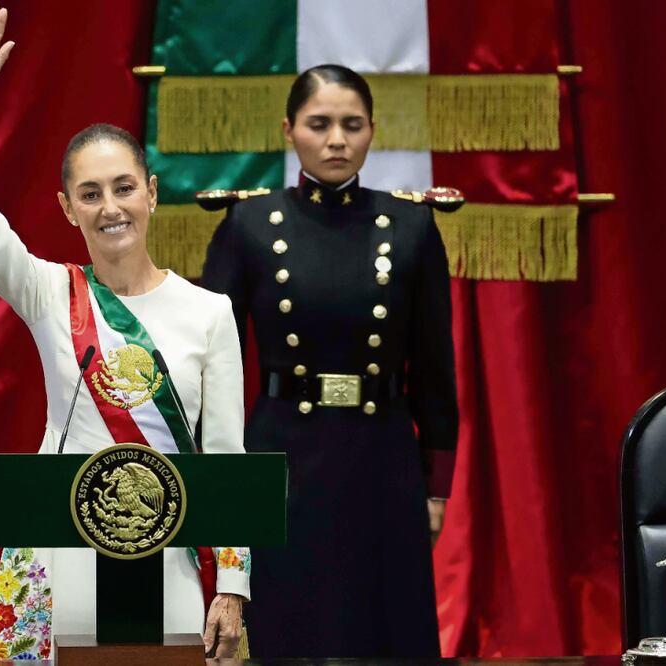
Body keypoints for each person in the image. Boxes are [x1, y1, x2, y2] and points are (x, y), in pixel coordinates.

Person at [0, 4, 250, 660]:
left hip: (169, 555)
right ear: (67, 208)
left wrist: (232, 585)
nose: (110, 207)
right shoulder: (48, 291)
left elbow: (225, 462)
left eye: (124, 187)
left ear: (153, 193)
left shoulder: (209, 314)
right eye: (90, 193)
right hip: (59, 546)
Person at [202, 64, 459, 657]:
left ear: (373, 130)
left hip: (383, 458)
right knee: (286, 634)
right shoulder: (249, 225)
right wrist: (222, 483)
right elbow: (212, 368)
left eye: (352, 124)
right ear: (289, 129)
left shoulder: (411, 225)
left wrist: (436, 488)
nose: (337, 140)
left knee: (384, 635)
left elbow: (435, 370)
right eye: (319, 124)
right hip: (281, 457)